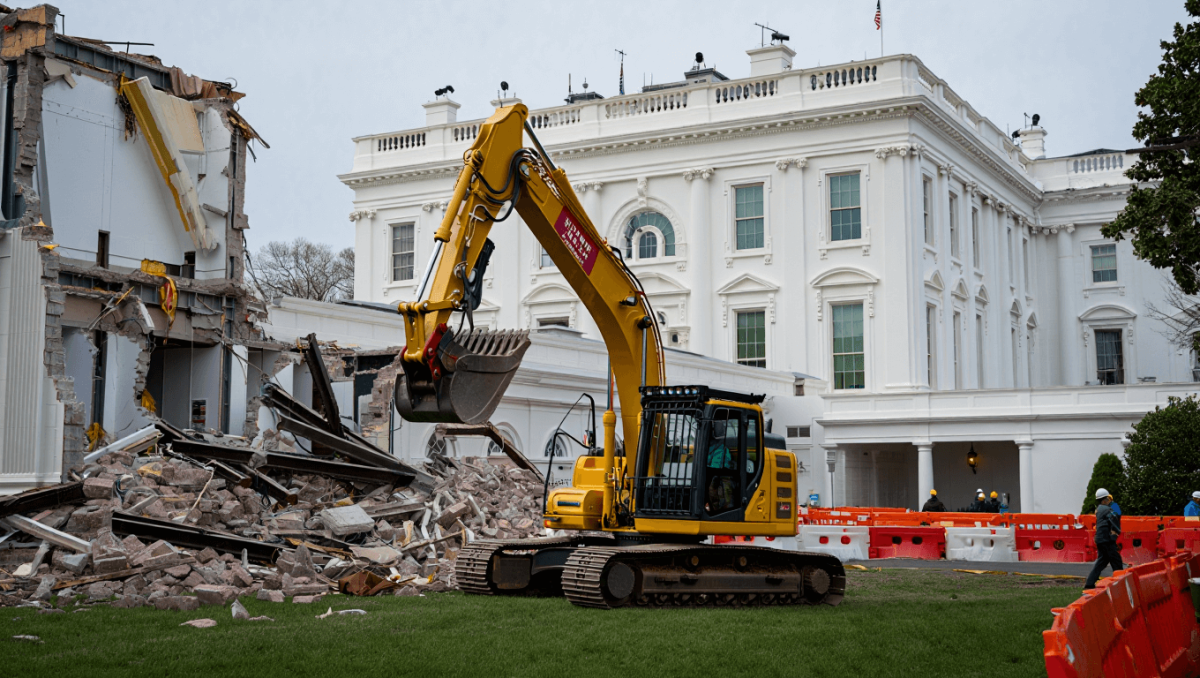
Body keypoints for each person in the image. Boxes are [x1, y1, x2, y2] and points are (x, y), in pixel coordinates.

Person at [1084, 488, 1123, 590]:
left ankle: (1089, 583)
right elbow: (1117, 514)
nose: (1109, 501)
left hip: (1100, 539)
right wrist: (1114, 504)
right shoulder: (1107, 510)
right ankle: (1121, 582)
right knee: (1116, 561)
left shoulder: (1099, 509)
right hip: (1106, 540)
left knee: (1102, 561)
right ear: (1104, 500)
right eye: (1108, 499)